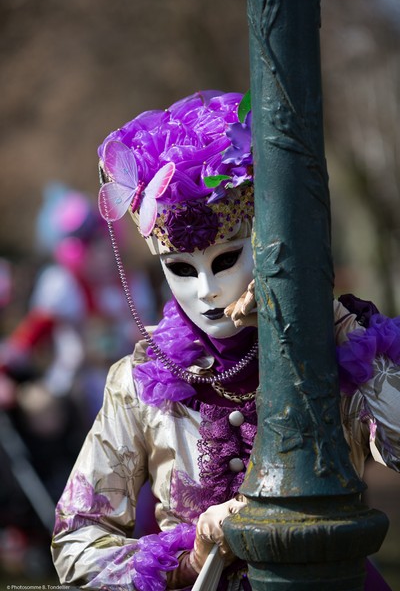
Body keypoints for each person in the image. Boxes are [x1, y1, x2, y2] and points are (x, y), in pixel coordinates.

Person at [51, 91, 400, 590]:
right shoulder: (141, 383)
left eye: (226, 260)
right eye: (180, 269)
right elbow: (75, 542)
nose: (207, 290)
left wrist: (331, 327)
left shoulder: (333, 351)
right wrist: (191, 558)